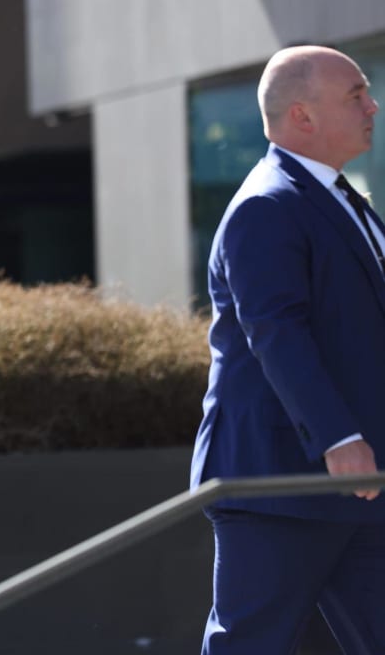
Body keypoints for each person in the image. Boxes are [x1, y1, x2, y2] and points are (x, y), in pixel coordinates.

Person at [190, 45, 385, 653]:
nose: (372, 106)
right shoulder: (266, 206)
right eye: (355, 94)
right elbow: (276, 330)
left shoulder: (343, 201)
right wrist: (337, 437)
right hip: (280, 487)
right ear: (302, 115)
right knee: (250, 644)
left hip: (358, 486)